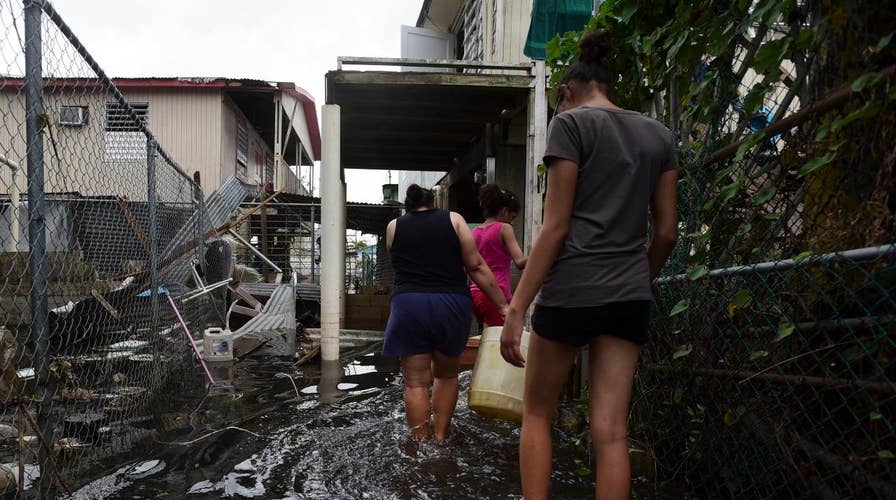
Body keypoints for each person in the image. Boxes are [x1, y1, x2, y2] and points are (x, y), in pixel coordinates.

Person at [500, 30, 679, 500]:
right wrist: (639, 276)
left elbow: (555, 227)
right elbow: (666, 233)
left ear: (566, 92)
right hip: (629, 296)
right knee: (612, 432)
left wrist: (517, 308)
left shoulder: (571, 125)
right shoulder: (660, 136)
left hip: (572, 290)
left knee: (537, 413)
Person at [384, 184, 509, 441]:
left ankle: (420, 443)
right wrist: (503, 305)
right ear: (435, 204)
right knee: (447, 375)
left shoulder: (393, 226)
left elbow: (399, 263)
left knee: (416, 382)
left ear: (407, 207)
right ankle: (440, 437)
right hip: (450, 304)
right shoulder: (455, 220)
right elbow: (475, 266)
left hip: (409, 305)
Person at [470, 184, 527, 328]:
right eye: (512, 217)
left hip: (475, 293)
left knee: (485, 339)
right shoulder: (504, 228)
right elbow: (520, 262)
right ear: (504, 211)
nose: (512, 221)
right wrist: (542, 252)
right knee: (500, 342)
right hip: (497, 294)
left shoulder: (474, 232)